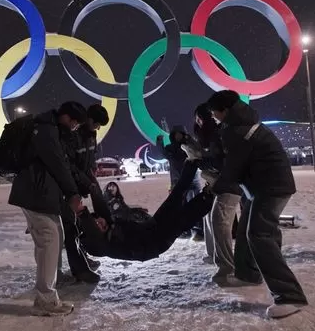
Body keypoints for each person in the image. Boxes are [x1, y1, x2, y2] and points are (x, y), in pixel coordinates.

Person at [207, 90, 308, 319]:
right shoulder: (240, 123)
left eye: (214, 112)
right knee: (247, 230)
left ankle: (290, 296)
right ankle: (249, 274)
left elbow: (233, 167)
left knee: (260, 235)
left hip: (271, 187)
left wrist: (214, 185)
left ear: (224, 111)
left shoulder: (238, 129)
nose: (213, 116)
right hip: (261, 186)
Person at [8, 101, 86, 316]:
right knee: (50, 240)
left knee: (49, 240)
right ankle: (46, 298)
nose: (75, 127)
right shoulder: (46, 131)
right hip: (36, 193)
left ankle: (46, 293)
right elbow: (58, 163)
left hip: (38, 193)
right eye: (75, 123)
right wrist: (72, 192)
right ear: (67, 118)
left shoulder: (47, 127)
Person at [77, 161, 215, 261]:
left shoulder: (106, 226)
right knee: (183, 218)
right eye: (96, 226)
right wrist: (82, 213)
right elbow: (93, 231)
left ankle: (192, 163)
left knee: (174, 198)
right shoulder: (101, 246)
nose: (99, 222)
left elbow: (101, 208)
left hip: (151, 227)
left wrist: (93, 187)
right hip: (156, 242)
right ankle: (209, 193)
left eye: (96, 220)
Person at [186, 103, 252, 287]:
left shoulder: (220, 134)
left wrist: (203, 161)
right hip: (217, 183)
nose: (198, 122)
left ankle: (227, 269)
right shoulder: (209, 135)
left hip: (229, 184)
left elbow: (223, 162)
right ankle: (216, 257)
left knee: (220, 223)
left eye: (200, 117)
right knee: (210, 219)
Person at [57, 104, 112, 283]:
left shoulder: (91, 136)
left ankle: (83, 257)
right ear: (89, 119)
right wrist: (86, 182)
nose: (97, 128)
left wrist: (92, 173)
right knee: (70, 227)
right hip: (68, 187)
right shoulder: (72, 136)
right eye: (97, 124)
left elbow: (89, 160)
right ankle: (79, 270)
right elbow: (70, 166)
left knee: (79, 224)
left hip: (80, 185)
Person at [156, 126, 203, 239]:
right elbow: (163, 153)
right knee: (178, 207)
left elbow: (198, 152)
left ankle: (198, 230)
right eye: (175, 134)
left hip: (192, 181)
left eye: (180, 134)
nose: (178, 136)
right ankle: (182, 230)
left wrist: (190, 139)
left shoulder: (189, 146)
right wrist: (159, 142)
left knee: (194, 205)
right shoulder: (170, 149)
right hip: (177, 182)